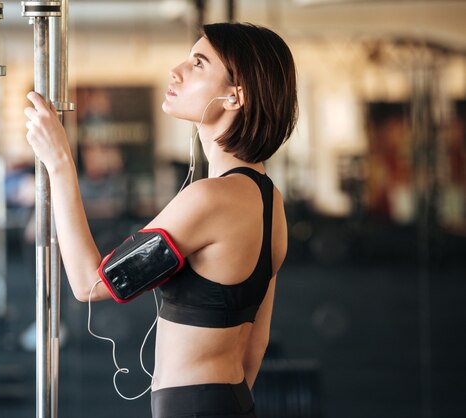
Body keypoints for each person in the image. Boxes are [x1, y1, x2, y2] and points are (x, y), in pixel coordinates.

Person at [24, 22, 297, 418]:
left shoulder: (210, 198)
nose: (177, 70)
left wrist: (60, 162)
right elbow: (255, 347)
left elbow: (90, 284)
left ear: (235, 97)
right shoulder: (269, 199)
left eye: (198, 64)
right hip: (230, 401)